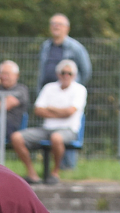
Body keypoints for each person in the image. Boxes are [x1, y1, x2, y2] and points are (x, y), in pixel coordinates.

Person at [10, 59, 87, 185]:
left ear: (74, 75)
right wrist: (61, 112)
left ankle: (55, 172)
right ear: (58, 74)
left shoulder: (80, 90)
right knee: (16, 137)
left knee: (56, 138)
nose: (66, 75)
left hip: (68, 130)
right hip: (46, 128)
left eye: (69, 73)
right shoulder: (49, 88)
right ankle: (31, 173)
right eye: (63, 72)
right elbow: (38, 110)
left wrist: (50, 108)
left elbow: (70, 112)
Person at [37, 14, 90, 170]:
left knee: (67, 127)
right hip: (49, 94)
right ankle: (49, 167)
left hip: (68, 94)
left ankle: (68, 166)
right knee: (50, 126)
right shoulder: (46, 46)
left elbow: (86, 70)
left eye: (59, 24)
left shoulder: (75, 47)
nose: (56, 26)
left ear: (67, 28)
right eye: (53, 23)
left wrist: (73, 89)